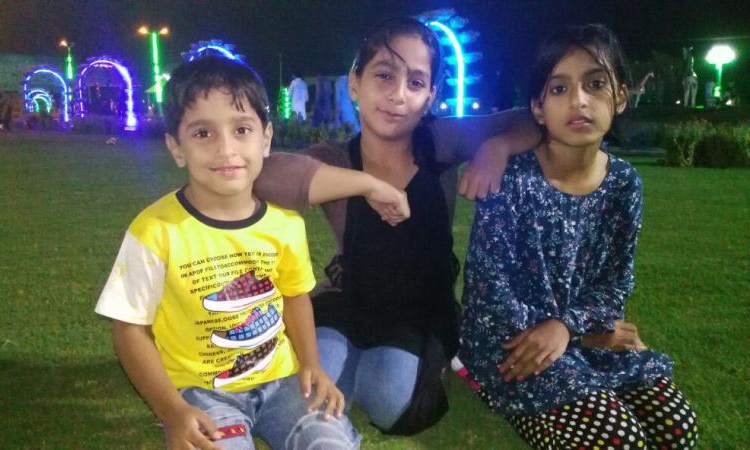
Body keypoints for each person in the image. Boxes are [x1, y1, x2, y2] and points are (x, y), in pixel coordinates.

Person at [94, 55, 410, 450]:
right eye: (203, 133)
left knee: (330, 443)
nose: (226, 149)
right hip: (199, 391)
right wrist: (171, 410)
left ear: (266, 138)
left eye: (241, 129)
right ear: (176, 147)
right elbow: (129, 331)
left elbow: (295, 298)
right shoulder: (154, 231)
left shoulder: (285, 224)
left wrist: (311, 365)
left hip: (283, 382)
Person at [255, 17, 540, 435]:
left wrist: (497, 146)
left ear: (430, 96)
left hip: (419, 311)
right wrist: (365, 185)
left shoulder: (440, 142)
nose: (398, 95)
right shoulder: (337, 159)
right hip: (349, 299)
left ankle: (398, 366)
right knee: (310, 386)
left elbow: (533, 119)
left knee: (394, 405)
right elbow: (262, 175)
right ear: (355, 83)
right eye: (384, 75)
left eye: (416, 82)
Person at [458, 24, 699, 449]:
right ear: (538, 107)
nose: (579, 100)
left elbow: (615, 283)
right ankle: (504, 397)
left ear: (620, 96)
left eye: (595, 84)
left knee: (677, 428)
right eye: (559, 88)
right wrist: (569, 335)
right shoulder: (513, 181)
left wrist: (570, 330)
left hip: (583, 334)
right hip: (515, 347)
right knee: (617, 439)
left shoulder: (623, 184)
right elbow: (489, 291)